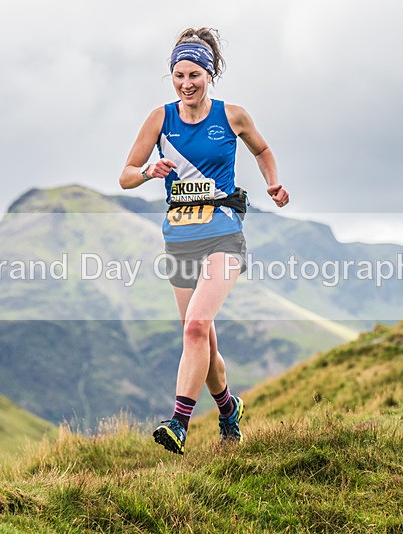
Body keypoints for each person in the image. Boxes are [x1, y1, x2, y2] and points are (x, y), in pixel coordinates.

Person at [119, 27, 289, 455]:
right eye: (178, 75)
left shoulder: (232, 116)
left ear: (209, 74)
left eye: (194, 74)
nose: (186, 83)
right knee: (202, 338)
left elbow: (262, 150)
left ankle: (178, 422)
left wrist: (273, 183)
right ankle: (229, 410)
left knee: (196, 327)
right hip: (179, 240)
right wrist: (147, 173)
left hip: (224, 235)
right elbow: (125, 176)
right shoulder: (160, 119)